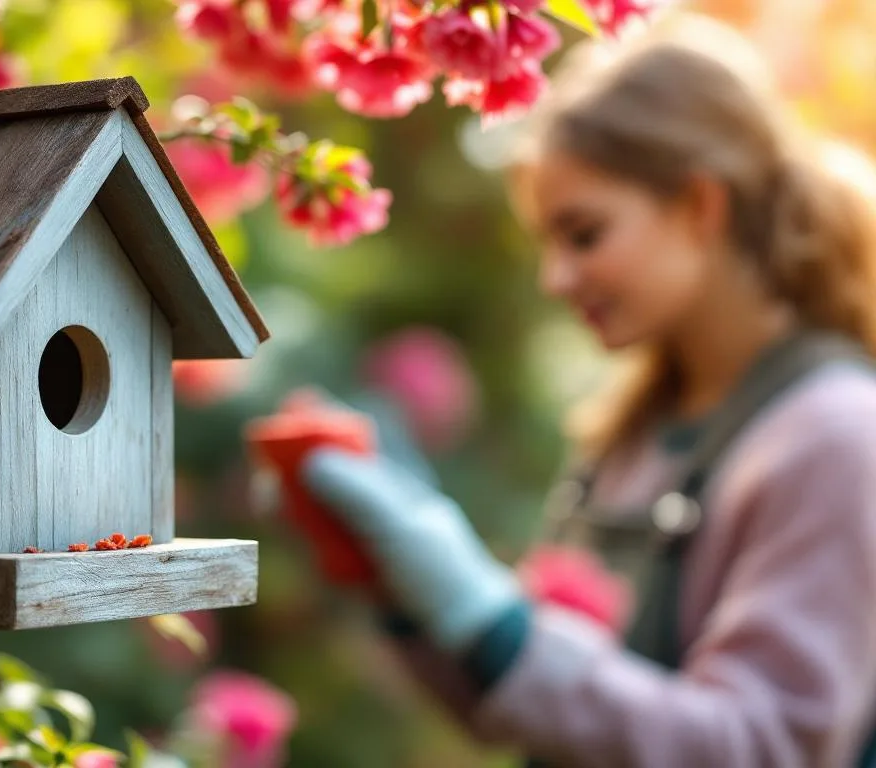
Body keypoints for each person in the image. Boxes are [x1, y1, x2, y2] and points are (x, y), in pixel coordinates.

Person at [284, 12, 876, 768]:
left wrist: (492, 619)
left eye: (585, 234)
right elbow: (538, 713)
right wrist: (403, 594)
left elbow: (765, 748)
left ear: (701, 205)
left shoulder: (835, 434)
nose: (556, 279)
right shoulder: (638, 430)